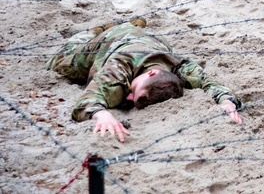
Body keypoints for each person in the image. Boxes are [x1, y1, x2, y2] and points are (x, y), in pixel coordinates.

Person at [47, 19, 242, 142]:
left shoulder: (180, 66)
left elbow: (211, 85)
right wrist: (100, 114)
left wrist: (227, 103)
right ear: (151, 74)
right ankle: (95, 31)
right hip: (111, 41)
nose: (129, 97)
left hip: (150, 40)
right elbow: (89, 98)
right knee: (58, 63)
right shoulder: (121, 65)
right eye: (135, 92)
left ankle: (133, 26)